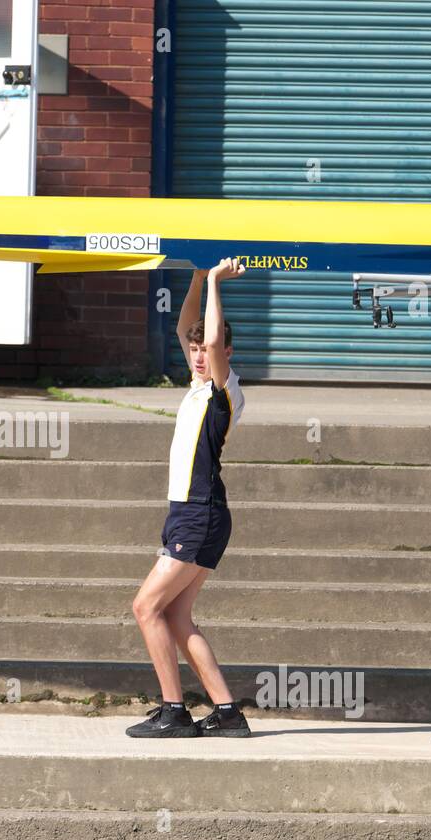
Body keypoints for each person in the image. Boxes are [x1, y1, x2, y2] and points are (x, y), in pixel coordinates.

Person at [126, 258, 250, 739]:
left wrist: (217, 283)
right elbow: (185, 325)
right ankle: (227, 712)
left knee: (145, 607)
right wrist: (198, 277)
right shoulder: (197, 385)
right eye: (194, 350)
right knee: (175, 614)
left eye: (206, 350)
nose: (199, 354)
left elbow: (215, 341)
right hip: (190, 512)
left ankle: (173, 710)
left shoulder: (224, 390)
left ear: (225, 354)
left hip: (200, 512)